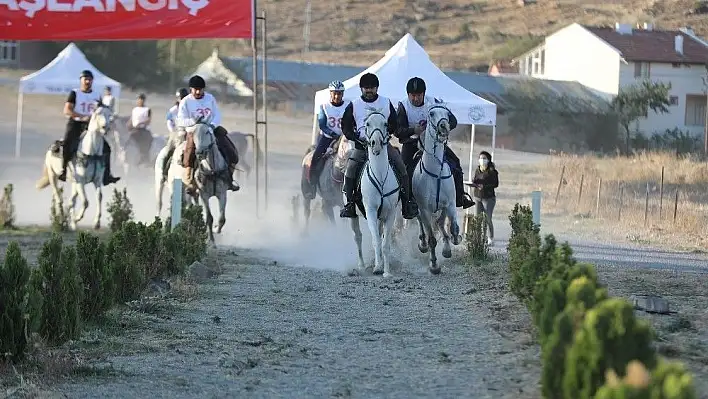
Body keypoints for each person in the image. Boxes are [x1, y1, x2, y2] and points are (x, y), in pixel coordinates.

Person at [340, 72, 419, 219]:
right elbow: (345, 126)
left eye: (372, 87)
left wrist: (386, 133)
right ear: (361, 89)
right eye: (366, 88)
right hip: (362, 146)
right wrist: (355, 137)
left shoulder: (385, 102)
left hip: (383, 145)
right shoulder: (355, 105)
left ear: (377, 88)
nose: (369, 90)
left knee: (401, 166)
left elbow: (394, 124)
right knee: (350, 170)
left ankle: (407, 203)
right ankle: (349, 204)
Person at [396, 76, 475, 209]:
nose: (415, 99)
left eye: (419, 95)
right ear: (408, 95)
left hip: (435, 145)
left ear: (424, 94)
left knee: (455, 163)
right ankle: (406, 202)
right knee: (404, 170)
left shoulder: (434, 102)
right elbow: (398, 130)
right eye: (413, 95)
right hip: (412, 144)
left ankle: (459, 196)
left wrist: (442, 127)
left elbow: (453, 121)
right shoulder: (403, 106)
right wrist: (413, 130)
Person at [178, 75, 240, 194]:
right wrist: (194, 122)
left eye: (200, 89)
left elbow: (217, 114)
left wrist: (212, 126)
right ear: (191, 89)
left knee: (231, 151)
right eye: (195, 89)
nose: (198, 91)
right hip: (194, 131)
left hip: (211, 129)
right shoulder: (186, 101)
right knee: (189, 154)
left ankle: (229, 179)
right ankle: (190, 182)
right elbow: (181, 120)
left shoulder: (210, 98)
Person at [59, 69, 120, 185]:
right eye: (85, 79)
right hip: (76, 123)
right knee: (68, 142)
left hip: (91, 126)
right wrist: (82, 117)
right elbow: (67, 110)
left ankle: (106, 175)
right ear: (81, 80)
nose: (87, 81)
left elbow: (101, 110)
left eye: (89, 79)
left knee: (107, 148)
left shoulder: (97, 95)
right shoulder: (75, 93)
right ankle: (64, 169)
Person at [307, 80, 350, 195]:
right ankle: (312, 185)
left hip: (345, 138)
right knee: (316, 157)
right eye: (334, 93)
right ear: (330, 93)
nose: (337, 96)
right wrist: (333, 134)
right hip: (327, 137)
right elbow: (322, 124)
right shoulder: (324, 107)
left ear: (343, 94)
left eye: (339, 93)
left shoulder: (348, 106)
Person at [157, 88, 189, 183]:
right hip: (177, 133)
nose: (182, 99)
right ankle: (164, 172)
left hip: (189, 133)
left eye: (184, 97)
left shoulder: (190, 108)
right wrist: (173, 131)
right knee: (168, 151)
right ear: (178, 98)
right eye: (180, 98)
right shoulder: (173, 110)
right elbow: (169, 122)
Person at [471, 151, 499, 245]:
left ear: (488, 160)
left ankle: (490, 237)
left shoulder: (492, 171)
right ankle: (478, 238)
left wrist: (484, 186)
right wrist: (473, 183)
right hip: (477, 197)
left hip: (488, 198)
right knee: (477, 218)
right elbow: (475, 180)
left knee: (488, 218)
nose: (482, 160)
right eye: (480, 158)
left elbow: (495, 184)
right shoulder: (477, 170)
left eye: (484, 158)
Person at [128, 93, 153, 165]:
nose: (139, 101)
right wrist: (128, 125)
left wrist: (140, 123)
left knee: (146, 141)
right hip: (134, 129)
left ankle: (144, 157)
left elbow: (148, 121)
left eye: (141, 99)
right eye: (138, 99)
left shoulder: (147, 110)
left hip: (143, 129)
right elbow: (131, 119)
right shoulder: (135, 109)